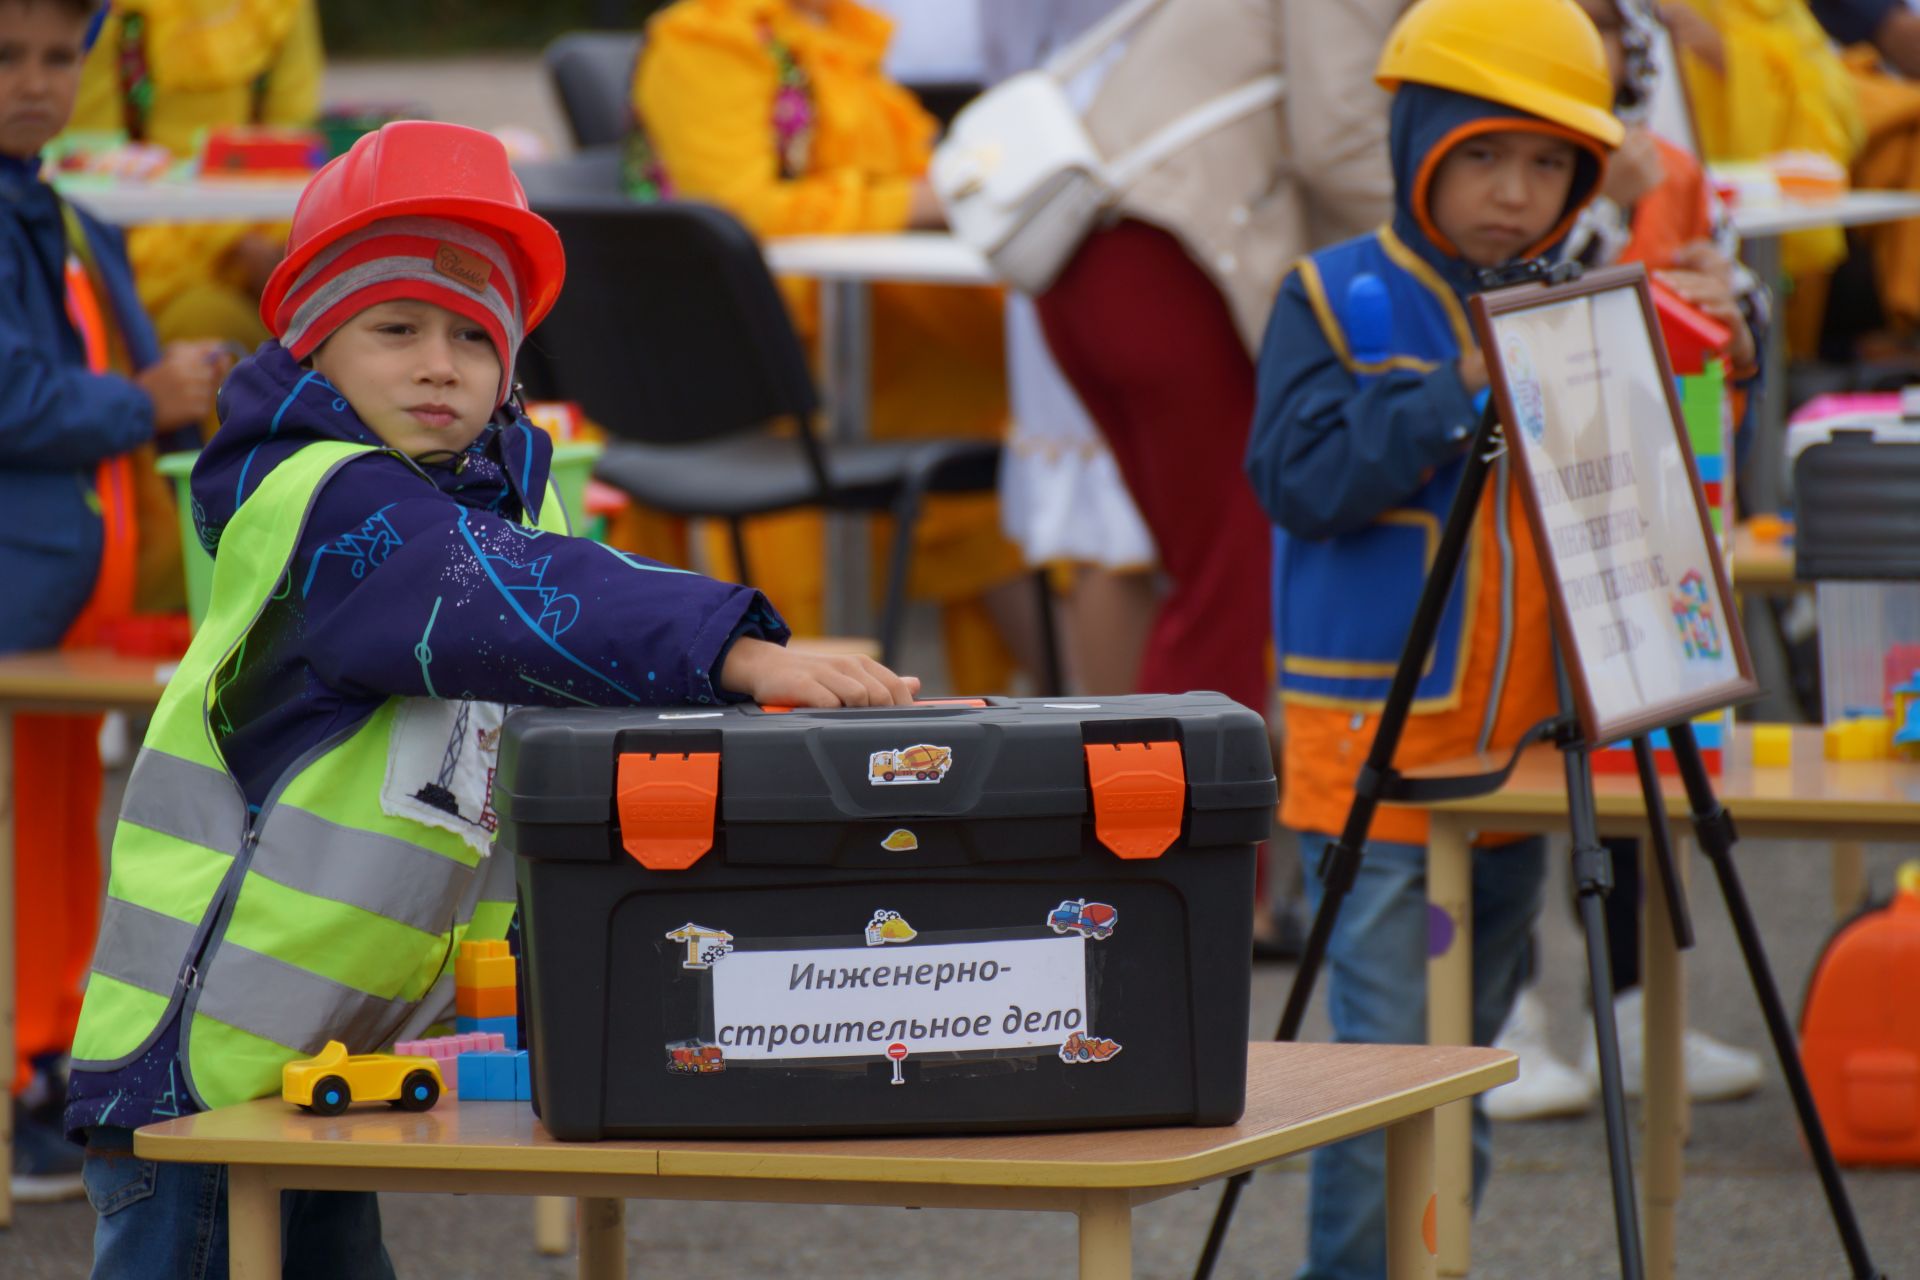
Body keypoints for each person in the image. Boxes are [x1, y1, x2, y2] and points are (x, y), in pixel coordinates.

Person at [64, 120, 919, 1277]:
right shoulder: (332, 510)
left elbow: (565, 675)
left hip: (322, 1068)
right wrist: (738, 646)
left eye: (476, 335)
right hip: (200, 1072)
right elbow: (510, 595)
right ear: (317, 349)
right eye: (396, 328)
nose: (439, 363)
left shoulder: (502, 512)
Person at [1243, 1, 1620, 1274]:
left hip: (1519, 762)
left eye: (1550, 163)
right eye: (1482, 156)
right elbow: (1296, 478)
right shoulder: (1333, 293)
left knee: (1465, 1065)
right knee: (1385, 1078)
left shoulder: (1574, 304)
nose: (1516, 195)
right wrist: (1457, 393)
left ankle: (1432, 1255)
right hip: (1383, 768)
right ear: (1418, 141)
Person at [1482, 0, 1766, 1124]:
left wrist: (1727, 319)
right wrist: (1598, 200)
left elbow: (1716, 316)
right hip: (1503, 536)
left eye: (1598, 96)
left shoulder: (1671, 169)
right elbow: (1512, 304)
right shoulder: (1492, 185)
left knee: (1646, 756)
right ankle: (1512, 1013)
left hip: (1634, 508)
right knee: (1510, 780)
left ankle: (1643, 1006)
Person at [630, 0, 1034, 695]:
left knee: (1043, 437)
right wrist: (920, 200)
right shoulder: (705, 39)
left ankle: (1091, 708)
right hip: (771, 376)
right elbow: (739, 206)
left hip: (883, 348)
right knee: (1035, 447)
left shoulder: (839, 34)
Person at [0, 0, 223, 1202]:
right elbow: (19, 400)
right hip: (20, 601)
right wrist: (149, 397)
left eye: (56, 56)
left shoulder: (66, 213)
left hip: (80, 594)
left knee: (77, 830)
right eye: (5, 57)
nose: (37, 83)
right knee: (27, 842)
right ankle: (32, 1064)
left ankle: (65, 1047)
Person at [979, 0, 1158, 700]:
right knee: (1113, 512)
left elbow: (1006, 56)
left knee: (1114, 510)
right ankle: (1125, 756)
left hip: (1058, 161)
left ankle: (1128, 755)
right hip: (1104, 170)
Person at [68, 0, 323, 352]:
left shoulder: (281, 9)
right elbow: (93, 155)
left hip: (261, 234)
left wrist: (268, 252)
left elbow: (289, 144)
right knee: (210, 325)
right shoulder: (115, 12)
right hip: (146, 245)